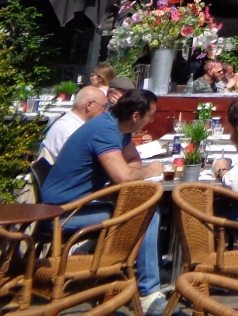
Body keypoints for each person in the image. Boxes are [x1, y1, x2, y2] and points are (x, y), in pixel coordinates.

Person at [41, 89, 168, 314]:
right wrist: (150, 170)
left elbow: (131, 160)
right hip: (61, 213)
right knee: (146, 214)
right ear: (135, 116)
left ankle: (132, 275)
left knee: (145, 209)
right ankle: (148, 292)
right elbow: (123, 176)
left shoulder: (118, 127)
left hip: (80, 204)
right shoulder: (105, 130)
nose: (151, 121)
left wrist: (132, 172)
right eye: (149, 116)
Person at [40, 87, 108, 163]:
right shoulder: (70, 131)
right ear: (89, 105)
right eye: (104, 106)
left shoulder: (75, 125)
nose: (106, 111)